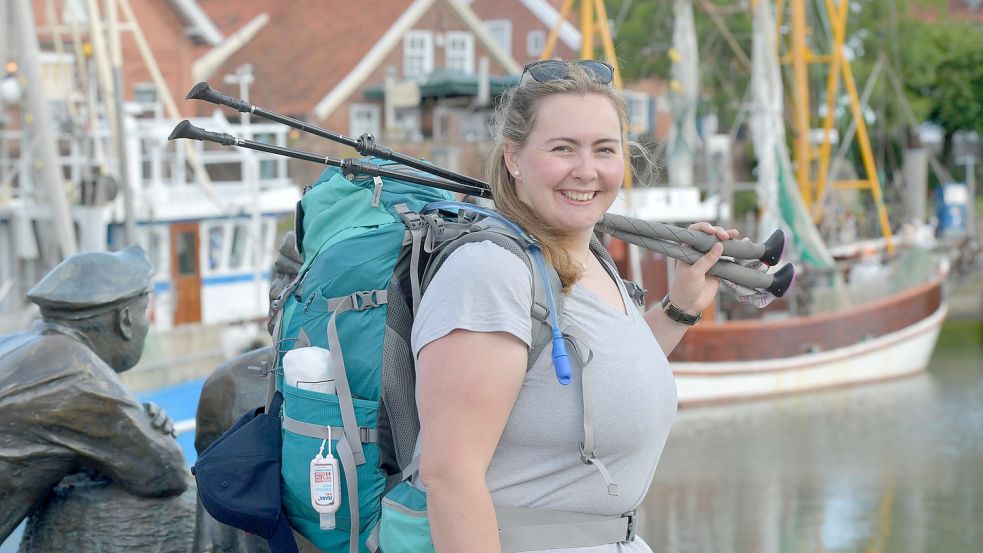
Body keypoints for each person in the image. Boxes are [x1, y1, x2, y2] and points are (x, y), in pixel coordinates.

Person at [412, 60, 738, 552]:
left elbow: (598, 372)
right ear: (514, 158)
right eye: (562, 148)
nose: (586, 170)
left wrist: (680, 308)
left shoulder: (590, 259)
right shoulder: (490, 273)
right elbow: (450, 476)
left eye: (604, 150)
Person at [0, 247, 188, 543]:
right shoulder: (76, 370)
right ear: (125, 320)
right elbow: (167, 473)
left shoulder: (16, 344)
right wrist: (147, 427)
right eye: (144, 310)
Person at [191, 231, 302, 553]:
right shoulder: (229, 383)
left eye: (296, 276)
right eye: (277, 273)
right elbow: (211, 516)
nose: (275, 290)